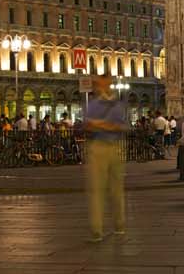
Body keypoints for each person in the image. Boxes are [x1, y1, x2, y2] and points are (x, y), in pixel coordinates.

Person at [83, 76, 128, 243]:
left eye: (100, 82)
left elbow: (122, 126)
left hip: (115, 147)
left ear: (107, 83)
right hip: (98, 147)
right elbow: (88, 125)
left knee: (116, 189)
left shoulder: (116, 103)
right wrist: (107, 125)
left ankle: (119, 224)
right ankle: (96, 230)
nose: (97, 86)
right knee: (97, 190)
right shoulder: (94, 104)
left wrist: (100, 124)